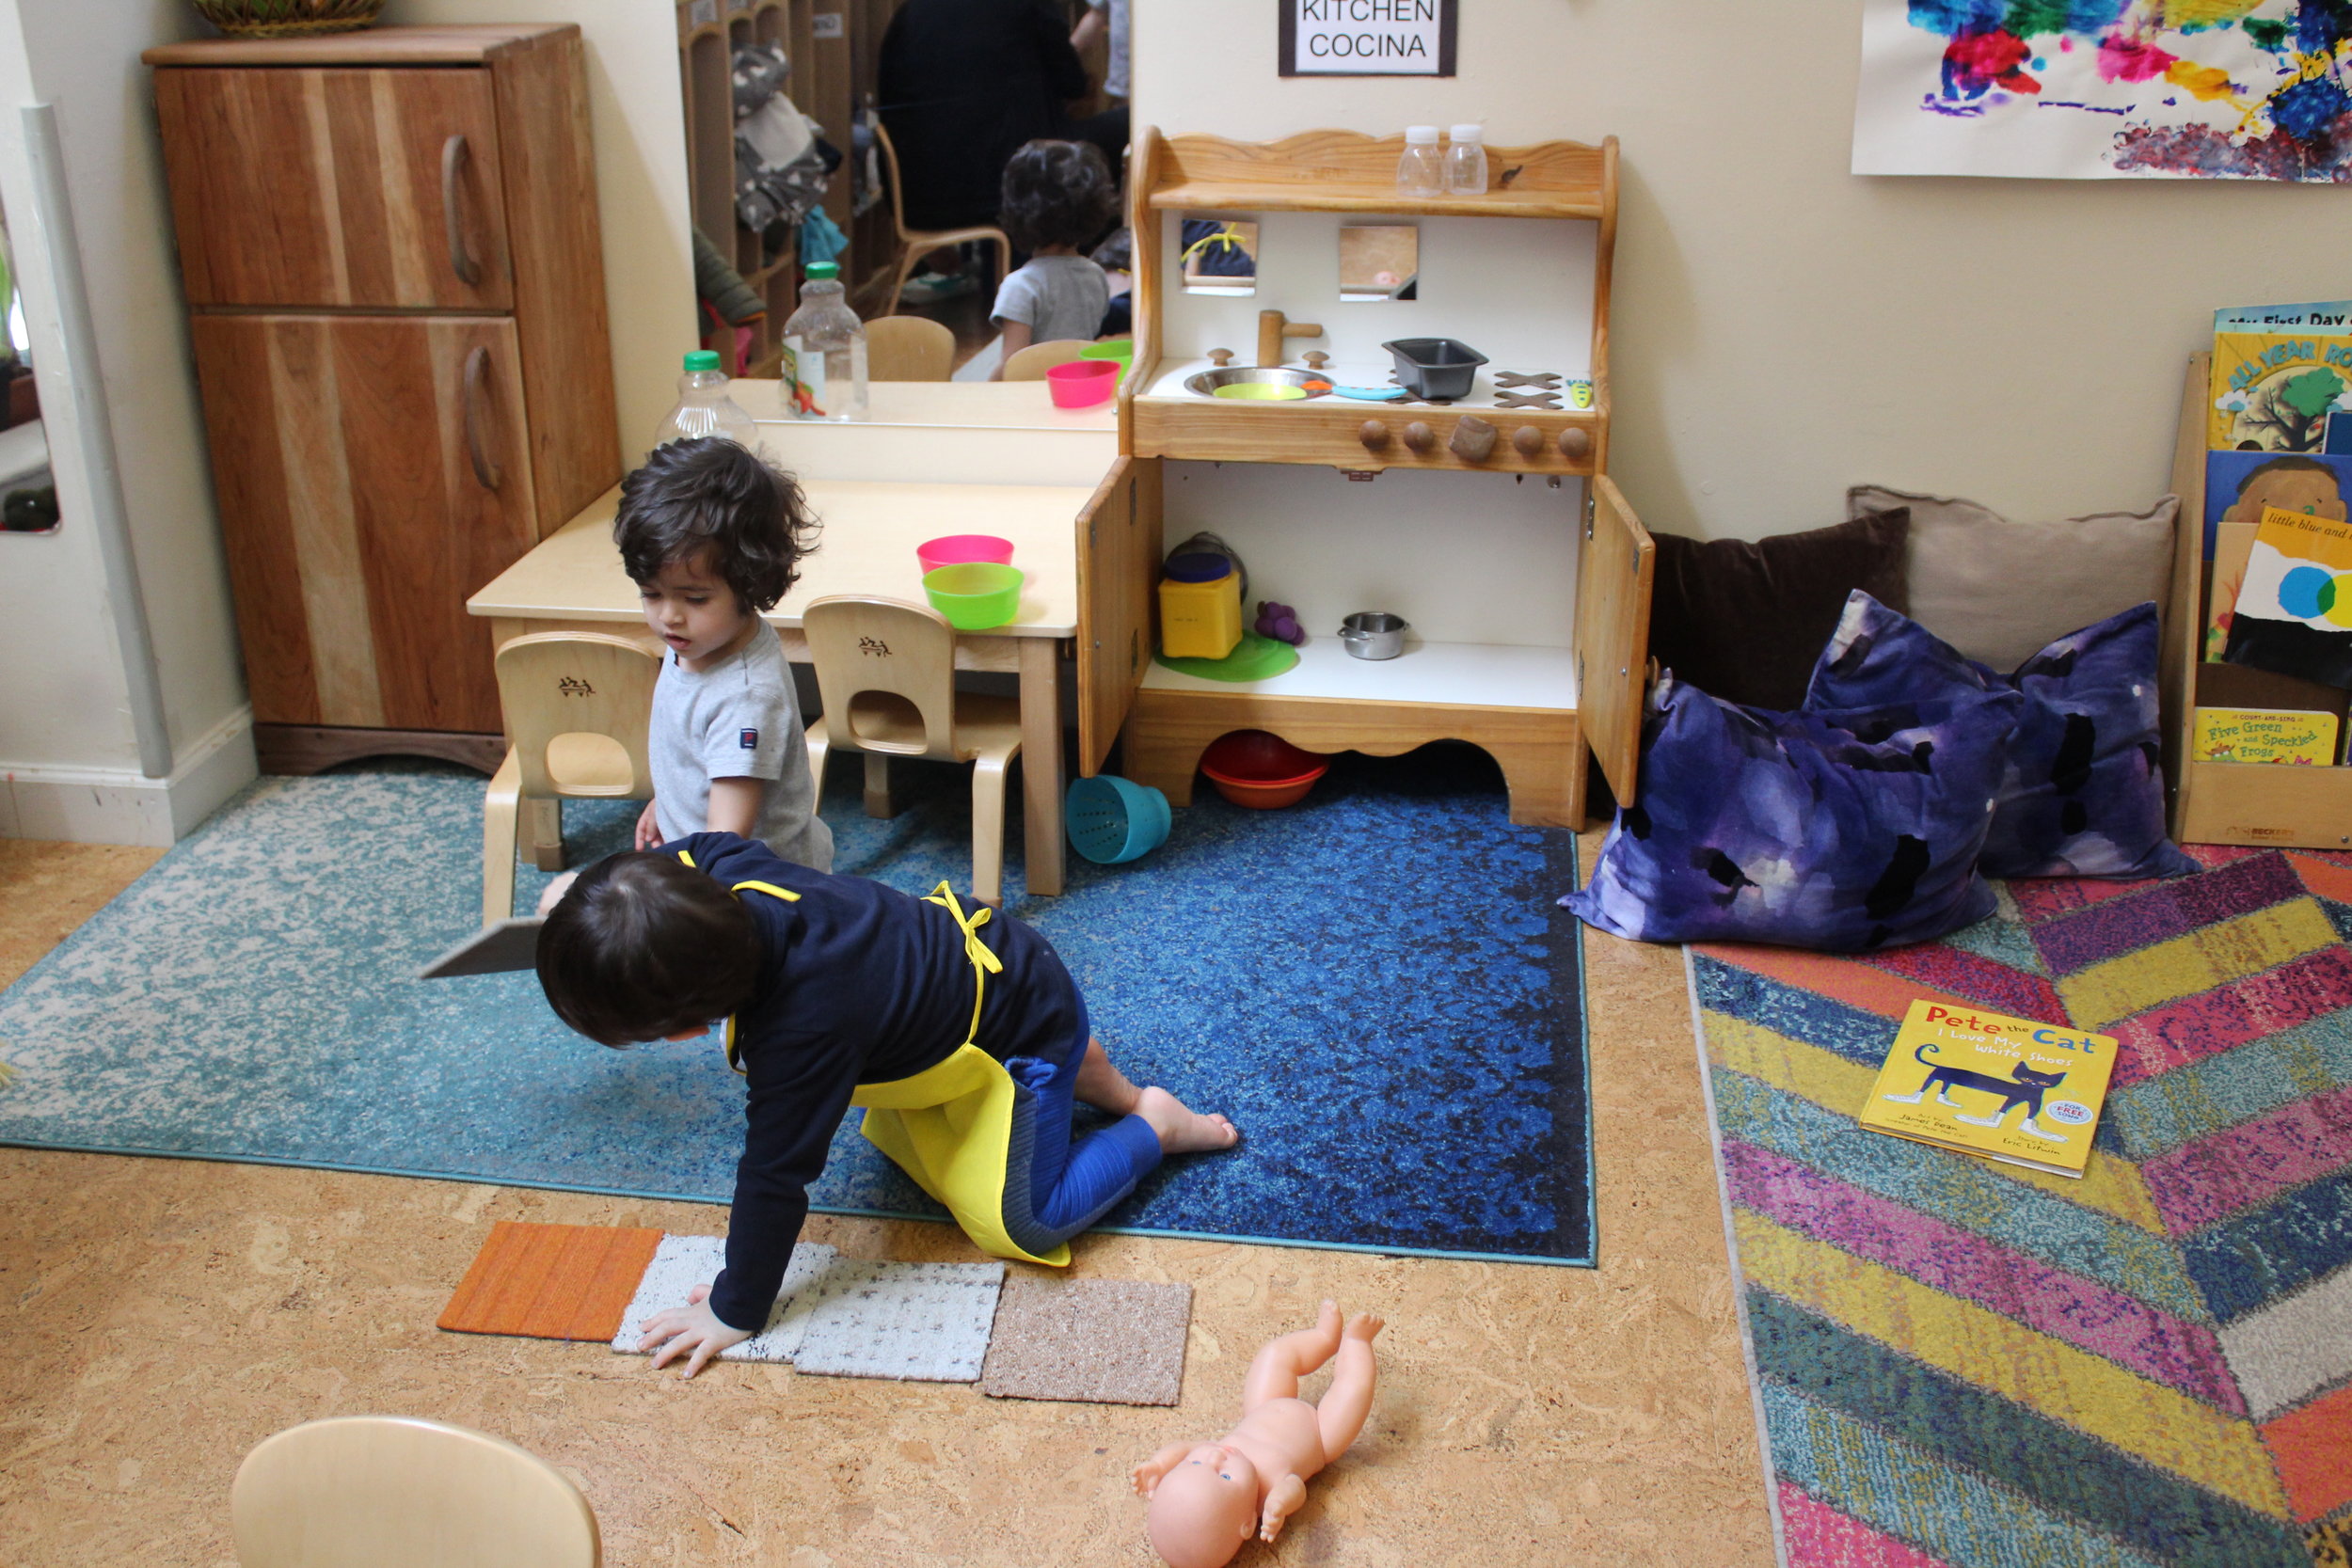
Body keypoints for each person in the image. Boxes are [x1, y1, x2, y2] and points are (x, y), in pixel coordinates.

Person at [536, 834, 1241, 1376]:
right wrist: (579, 893)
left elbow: (774, 1177)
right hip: (987, 958)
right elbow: (651, 868)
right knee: (899, 1136)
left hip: (1023, 1022)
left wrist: (733, 1307)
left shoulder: (801, 1032)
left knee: (1025, 1223)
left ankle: (1154, 1121)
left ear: (687, 1029)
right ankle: (1087, 1070)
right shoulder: (714, 869)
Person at [613, 437, 833, 872]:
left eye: (694, 599)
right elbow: (695, 749)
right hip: (703, 843)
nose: (668, 617)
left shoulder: (745, 699)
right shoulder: (701, 639)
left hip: (757, 884)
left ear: (750, 583)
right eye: (650, 594)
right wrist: (671, 800)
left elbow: (725, 846)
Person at [1132, 1303, 1385, 1568]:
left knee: (1274, 1356)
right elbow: (1295, 1488)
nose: (1216, 1457)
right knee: (1353, 1390)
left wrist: (1159, 1464)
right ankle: (1358, 1342)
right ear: (1249, 1523)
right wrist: (1279, 1504)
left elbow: (1182, 1449)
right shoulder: (1266, 1495)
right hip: (1320, 1433)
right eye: (1225, 1476)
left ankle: (1323, 1338)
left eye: (1195, 1463)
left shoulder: (1214, 1452)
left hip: (1263, 1407)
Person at [988, 139, 1120, 379]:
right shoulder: (1095, 275)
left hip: (1033, 400)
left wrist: (976, 397)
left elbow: (1012, 365)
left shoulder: (1021, 285)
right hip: (1080, 389)